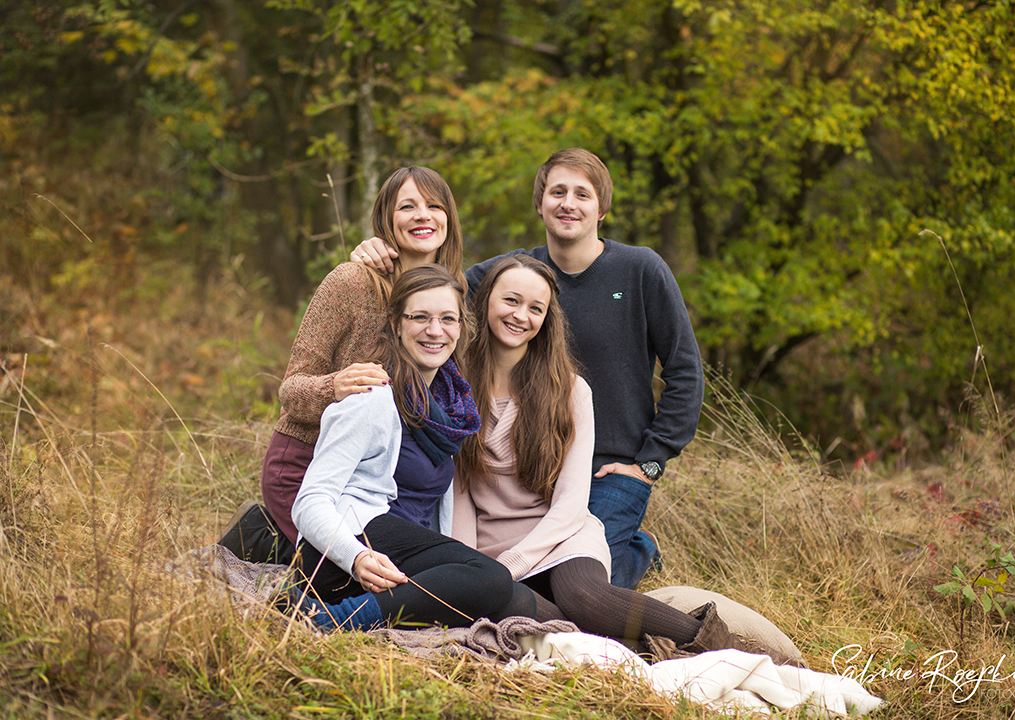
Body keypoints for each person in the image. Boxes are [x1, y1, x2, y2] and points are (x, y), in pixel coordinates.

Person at [354, 149, 704, 589]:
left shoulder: (641, 270)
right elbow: (433, 295)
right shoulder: (513, 274)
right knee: (523, 582)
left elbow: (686, 371)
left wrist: (650, 461)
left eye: (582, 194)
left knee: (589, 585)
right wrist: (382, 251)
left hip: (609, 470)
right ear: (539, 203)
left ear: (602, 209)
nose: (568, 203)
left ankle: (640, 550)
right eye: (557, 192)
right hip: (533, 464)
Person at [451, 255, 727, 654]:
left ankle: (720, 647)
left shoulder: (570, 392)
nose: (520, 315)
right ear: (486, 301)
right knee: (527, 621)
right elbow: (459, 493)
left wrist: (508, 566)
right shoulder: (457, 387)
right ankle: (626, 656)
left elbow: (570, 505)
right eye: (510, 300)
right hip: (491, 551)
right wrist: (471, 568)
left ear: (547, 319)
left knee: (584, 598)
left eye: (535, 308)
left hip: (562, 536)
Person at [219, 167, 469, 561]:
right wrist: (332, 388)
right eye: (408, 206)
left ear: (449, 220)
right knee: (347, 572)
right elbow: (291, 391)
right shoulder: (351, 283)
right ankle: (263, 536)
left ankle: (272, 538)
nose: (423, 215)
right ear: (387, 219)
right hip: (309, 467)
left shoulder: (453, 294)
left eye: (434, 206)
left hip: (378, 478)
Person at [289, 265, 536, 630]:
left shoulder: (447, 406)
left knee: (519, 601)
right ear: (396, 324)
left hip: (400, 550)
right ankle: (333, 620)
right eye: (420, 317)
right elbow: (309, 501)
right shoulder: (371, 397)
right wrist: (356, 557)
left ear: (460, 326)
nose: (435, 331)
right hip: (347, 551)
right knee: (492, 578)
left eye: (447, 319)